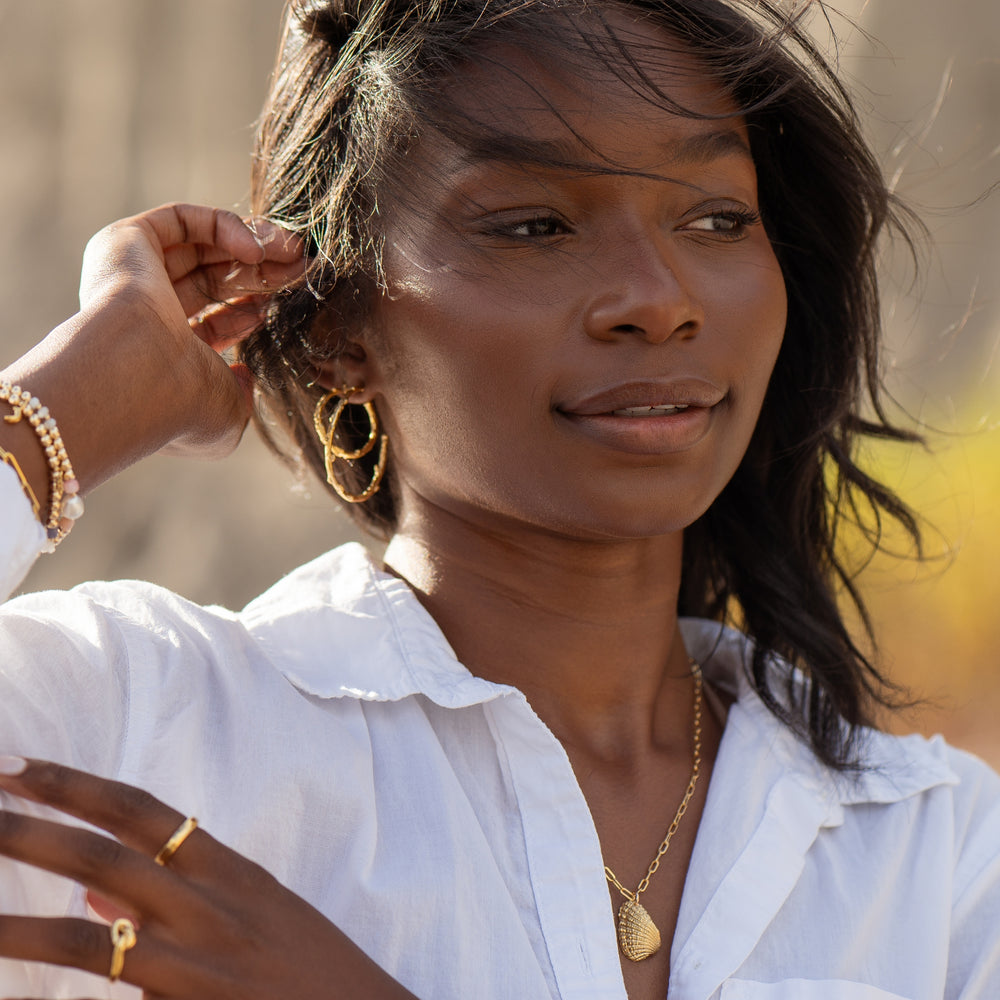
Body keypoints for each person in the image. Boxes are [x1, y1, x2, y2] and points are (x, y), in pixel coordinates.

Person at [0, 1, 997, 998]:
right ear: (340, 322)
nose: (659, 299)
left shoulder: (936, 856)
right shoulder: (131, 726)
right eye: (534, 226)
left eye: (716, 219)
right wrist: (69, 402)